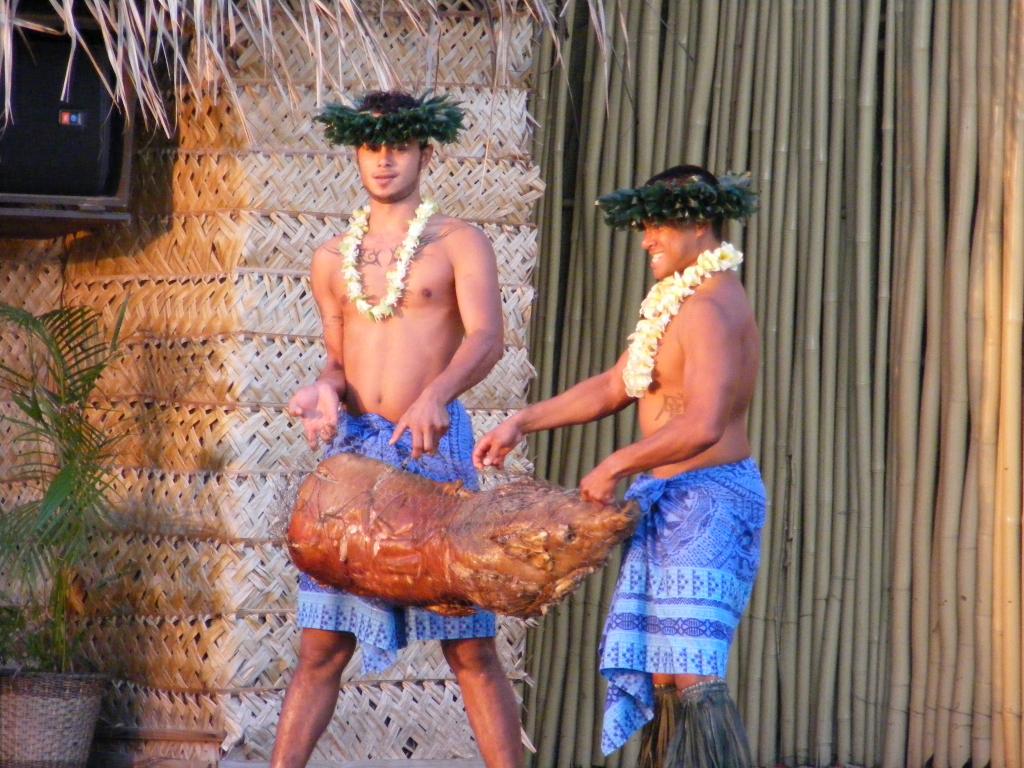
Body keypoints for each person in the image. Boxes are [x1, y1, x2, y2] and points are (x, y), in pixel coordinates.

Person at [474, 165, 765, 767]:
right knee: (664, 673)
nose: (646, 239)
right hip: (671, 496)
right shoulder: (676, 301)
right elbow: (615, 385)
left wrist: (617, 463)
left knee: (691, 670)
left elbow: (704, 422)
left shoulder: (710, 307)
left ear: (700, 223)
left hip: (710, 498)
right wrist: (523, 421)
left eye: (658, 225)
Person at [272, 90, 522, 768]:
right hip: (355, 456)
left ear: (425, 153)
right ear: (356, 153)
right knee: (322, 645)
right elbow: (336, 360)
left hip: (431, 448)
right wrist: (324, 392)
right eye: (371, 146)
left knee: (469, 644)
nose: (384, 160)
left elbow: (488, 337)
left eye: (400, 146)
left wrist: (436, 394)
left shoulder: (459, 241)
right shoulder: (331, 258)